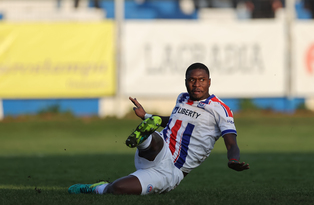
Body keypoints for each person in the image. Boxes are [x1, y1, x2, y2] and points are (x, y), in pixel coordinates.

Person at [68, 63, 250, 195]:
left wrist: (233, 159)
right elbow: (173, 121)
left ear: (209, 82)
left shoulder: (220, 109)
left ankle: (97, 187)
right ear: (186, 81)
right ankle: (144, 136)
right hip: (160, 150)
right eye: (192, 80)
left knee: (117, 189)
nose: (196, 84)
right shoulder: (182, 97)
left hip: (171, 171)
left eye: (201, 80)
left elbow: (231, 142)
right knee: (155, 137)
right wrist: (147, 116)